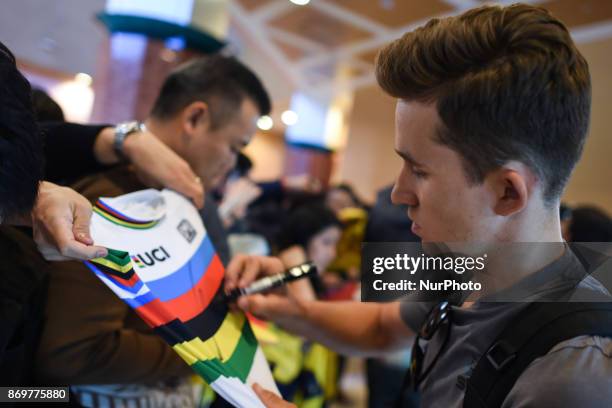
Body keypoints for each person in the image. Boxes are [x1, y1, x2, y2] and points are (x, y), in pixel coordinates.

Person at [224, 4, 612, 407]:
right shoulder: (460, 267)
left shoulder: (571, 380)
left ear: (507, 193)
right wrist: (295, 310)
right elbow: (379, 327)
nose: (397, 194)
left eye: (419, 170)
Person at [35, 54, 271, 407]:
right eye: (235, 146)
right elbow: (74, 350)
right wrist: (209, 350)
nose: (232, 163)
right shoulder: (115, 199)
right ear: (194, 118)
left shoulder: (178, 201)